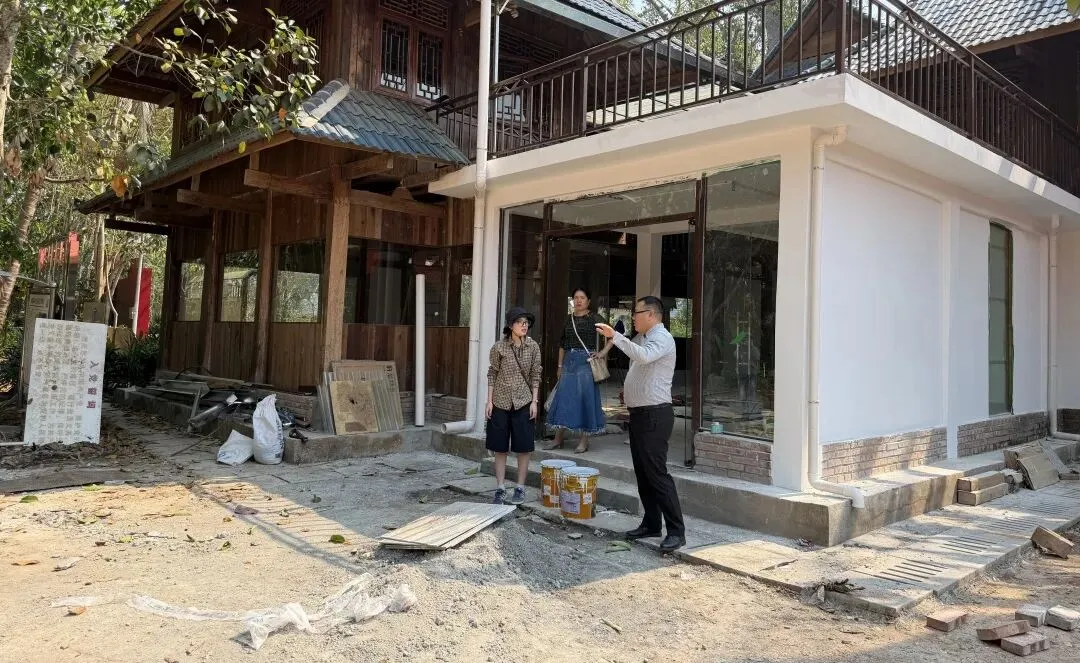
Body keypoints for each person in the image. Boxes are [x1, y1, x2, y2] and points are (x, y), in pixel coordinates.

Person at [595, 296, 685, 552]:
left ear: (651, 315)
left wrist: (616, 336)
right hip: (639, 414)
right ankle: (651, 523)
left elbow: (644, 357)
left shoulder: (662, 338)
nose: (633, 317)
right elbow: (638, 360)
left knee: (657, 473)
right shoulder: (642, 337)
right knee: (643, 473)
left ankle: (676, 531)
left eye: (637, 313)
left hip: (655, 415)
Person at [485, 306, 542, 505]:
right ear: (510, 326)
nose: (524, 326)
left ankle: (520, 487)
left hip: (524, 402)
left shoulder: (533, 347)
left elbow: (536, 374)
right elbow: (492, 373)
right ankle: (500, 488)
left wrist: (534, 401)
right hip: (500, 401)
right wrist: (489, 401)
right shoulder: (499, 347)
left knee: (524, 447)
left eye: (526, 323)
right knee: (500, 447)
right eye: (519, 322)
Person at [545, 287, 610, 453]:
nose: (579, 300)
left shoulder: (594, 318)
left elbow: (613, 336)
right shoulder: (569, 319)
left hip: (586, 363)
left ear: (588, 301)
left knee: (584, 399)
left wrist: (602, 352)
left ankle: (584, 441)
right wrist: (560, 366)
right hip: (569, 362)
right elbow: (562, 344)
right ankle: (558, 438)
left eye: (582, 297)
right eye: (576, 297)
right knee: (563, 398)